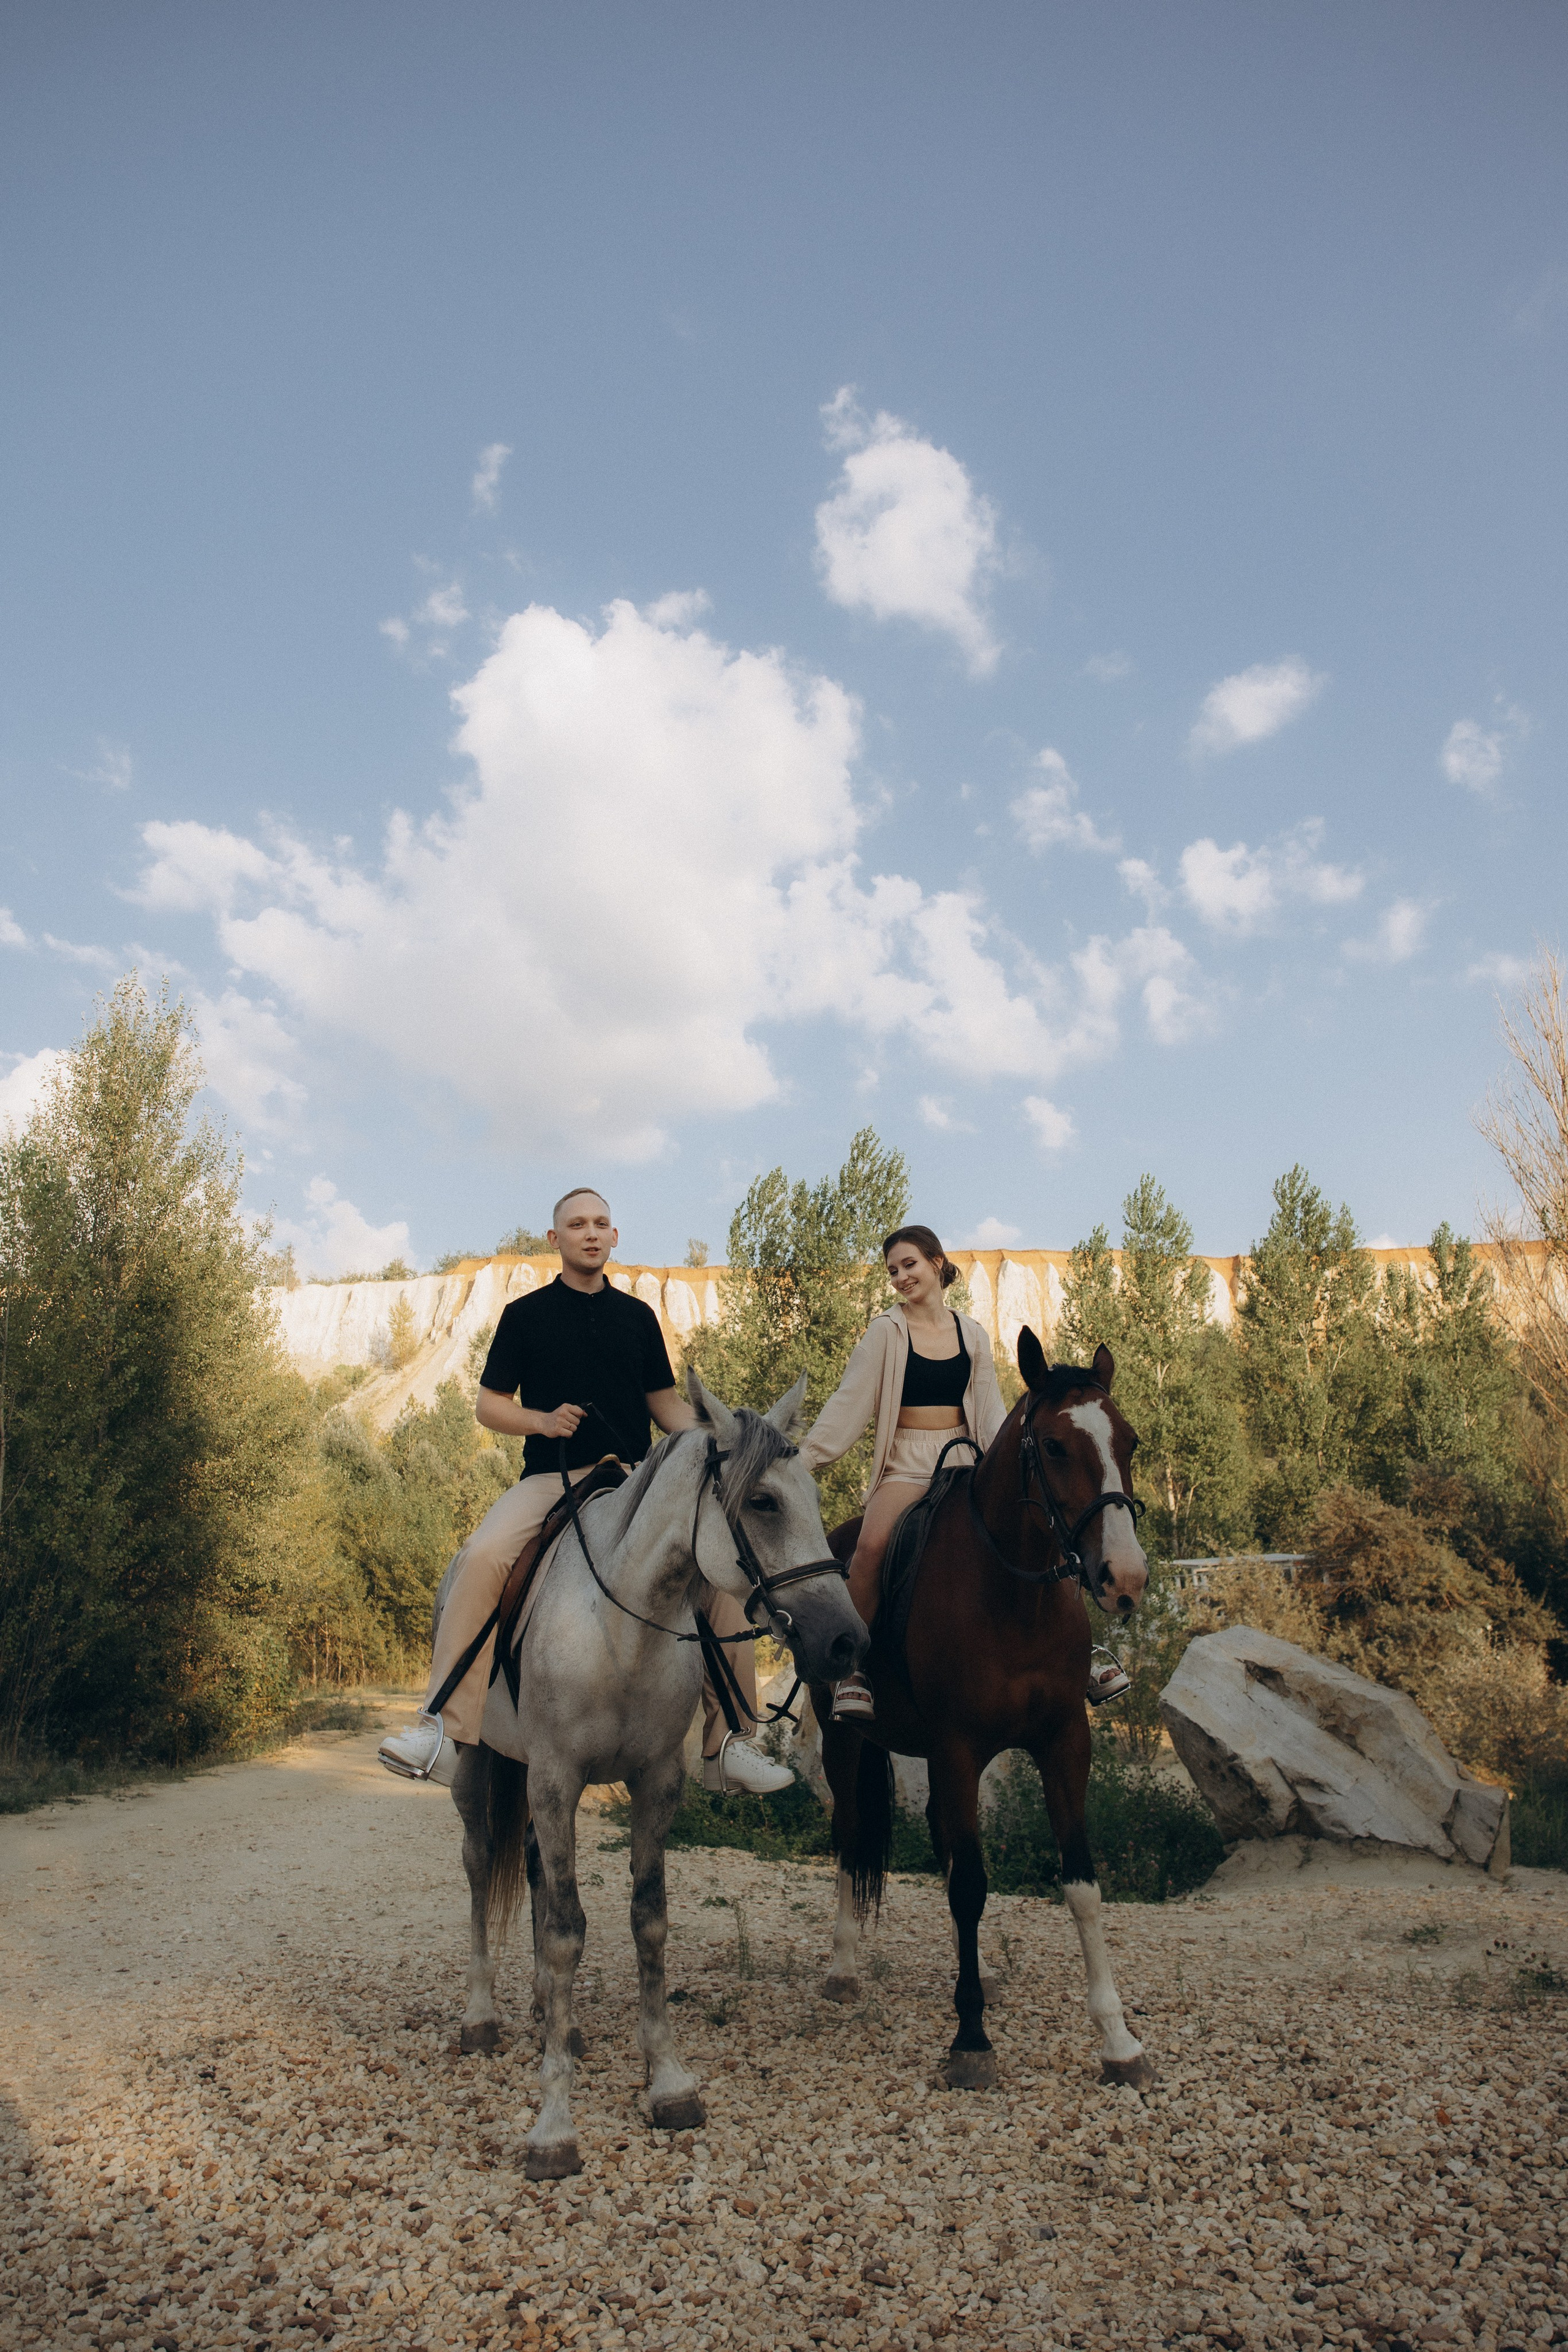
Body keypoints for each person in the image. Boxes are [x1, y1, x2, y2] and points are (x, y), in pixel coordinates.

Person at [377, 1188, 792, 1796]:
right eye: (577, 1225)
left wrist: (719, 1443)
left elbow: (663, 1405)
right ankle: (441, 1730)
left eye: (600, 1224)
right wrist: (541, 1421)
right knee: (482, 1558)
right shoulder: (524, 1316)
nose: (590, 1233)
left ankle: (729, 1743)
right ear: (556, 1240)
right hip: (552, 1479)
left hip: (632, 1482)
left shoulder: (639, 1319)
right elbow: (489, 1406)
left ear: (614, 1237)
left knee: (716, 1571)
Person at [799, 1223, 1129, 1721]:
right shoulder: (885, 1332)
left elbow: (992, 1411)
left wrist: (1007, 1459)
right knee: (868, 1548)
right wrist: (803, 1459)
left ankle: (1084, 1657)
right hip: (906, 1466)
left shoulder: (970, 1333)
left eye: (909, 1265)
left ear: (936, 1262)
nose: (901, 1277)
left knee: (1047, 1529)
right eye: (892, 1271)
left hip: (965, 1460)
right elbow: (850, 1404)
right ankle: (854, 1672)